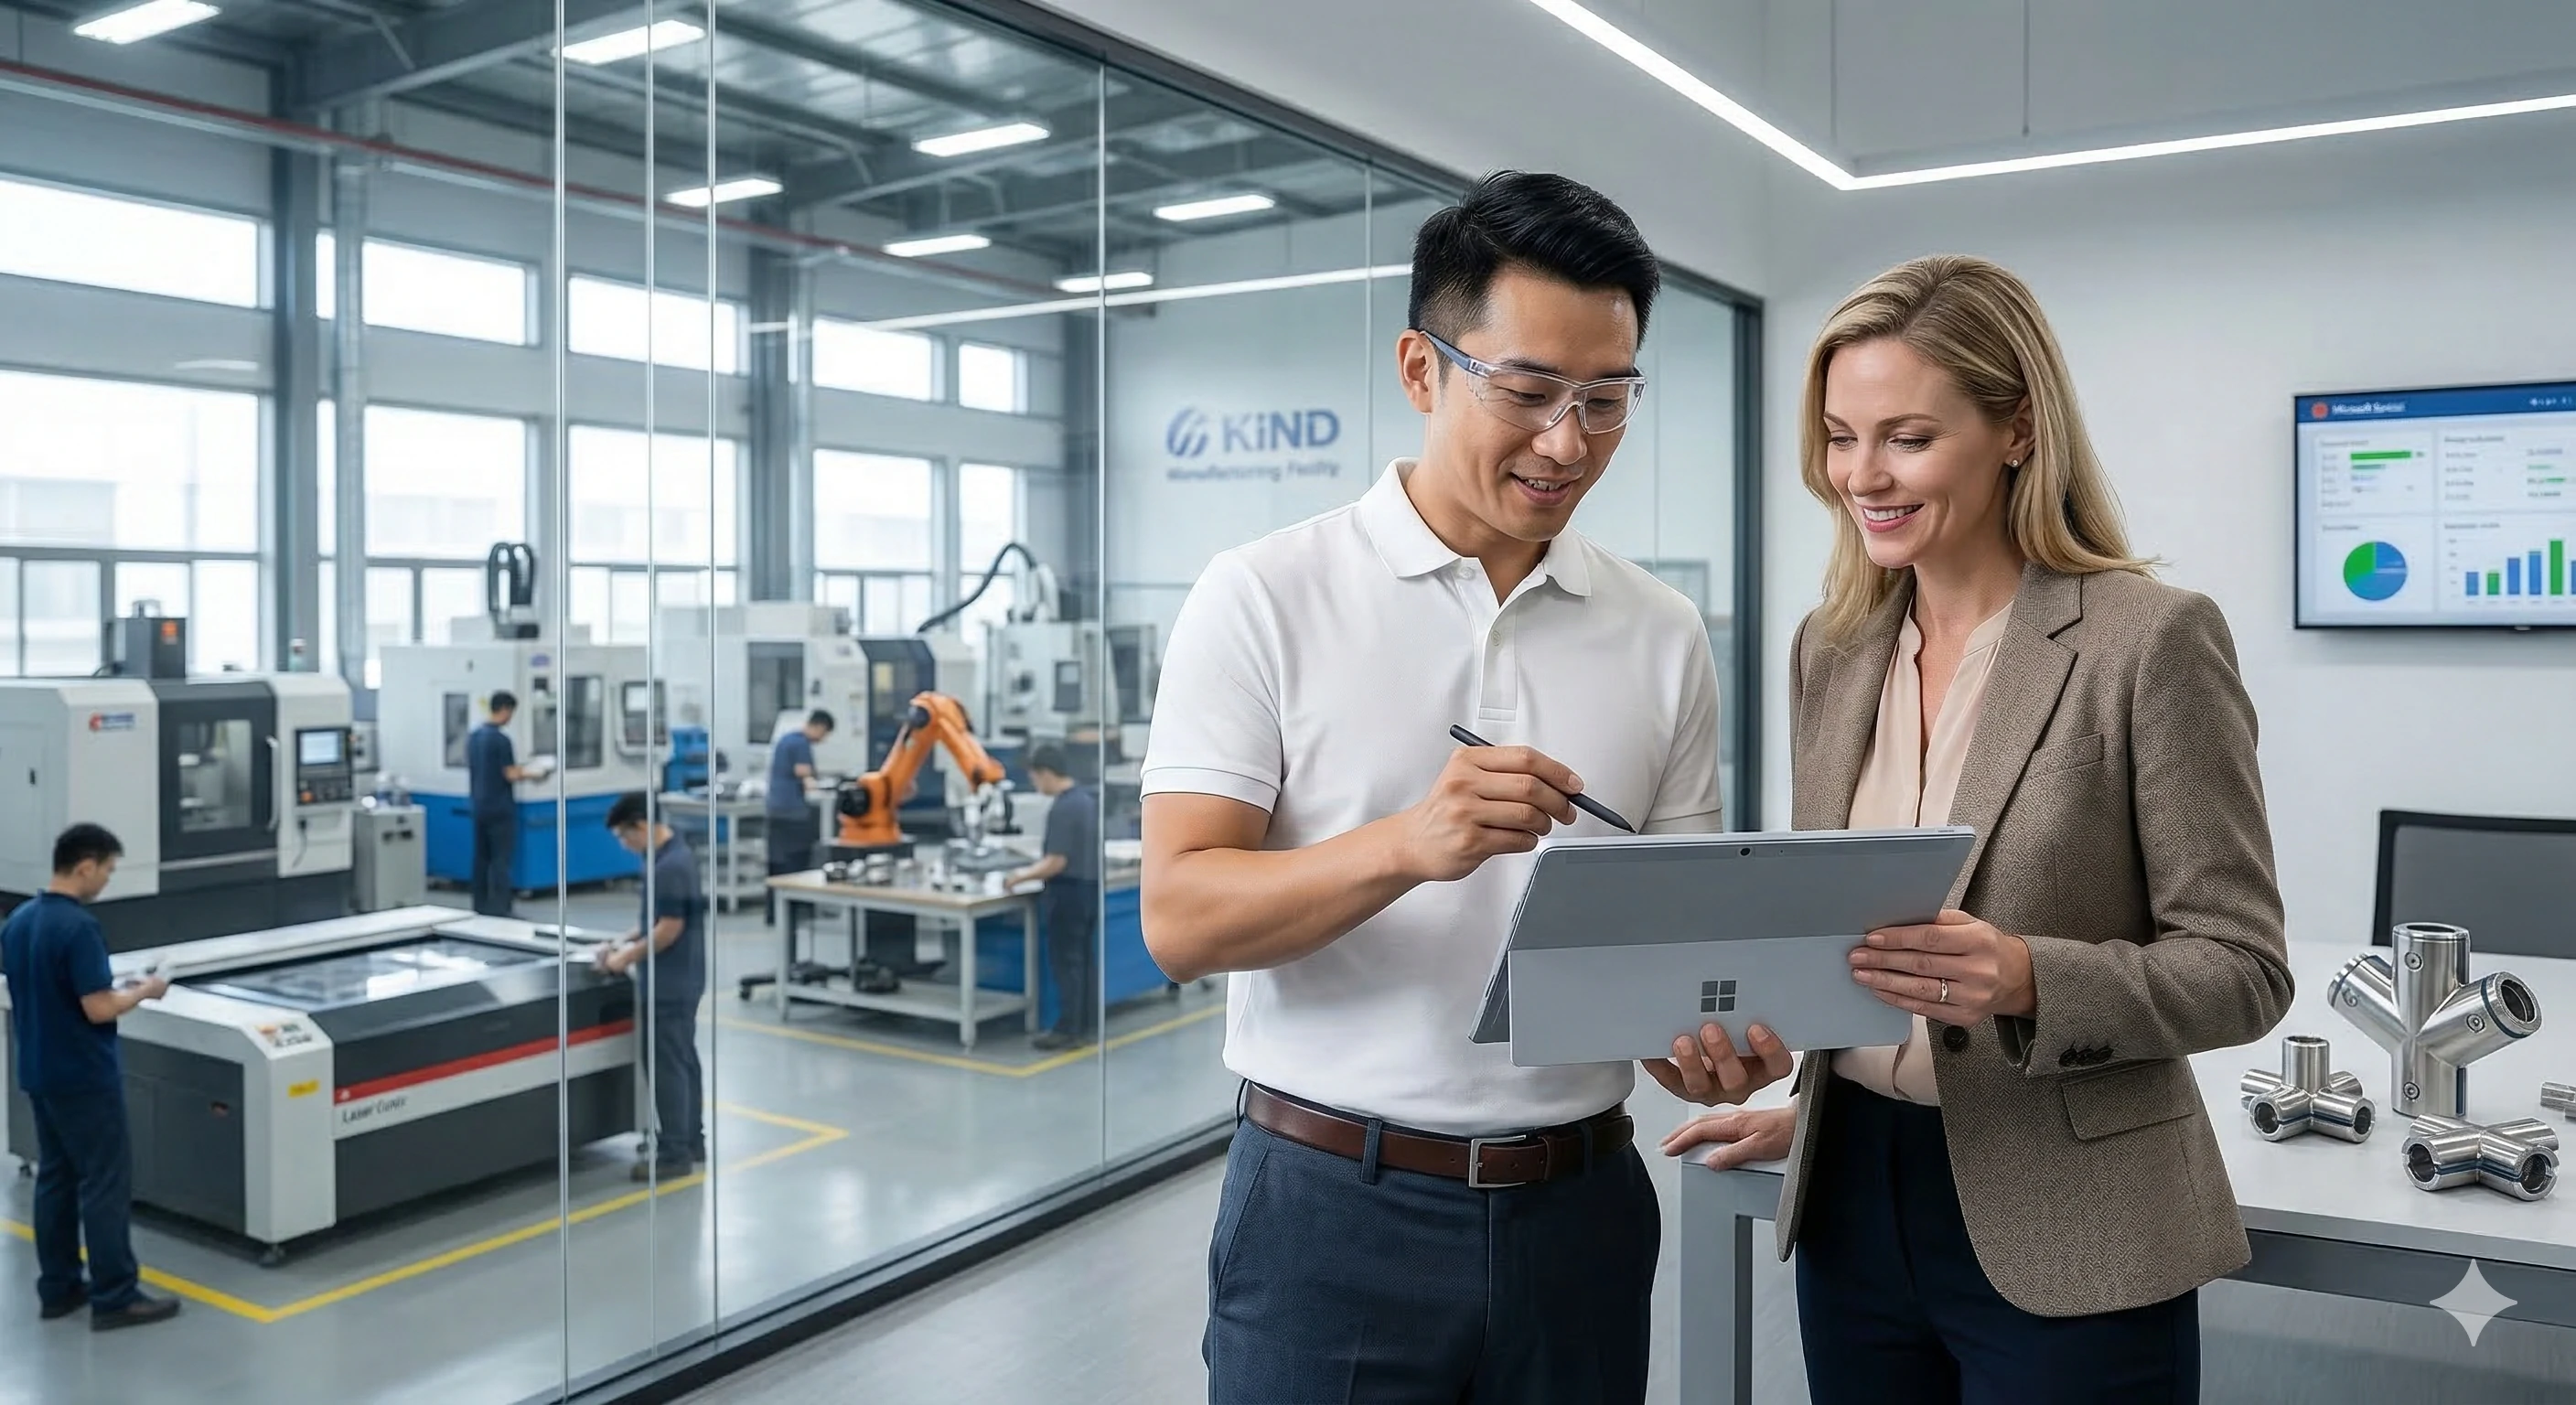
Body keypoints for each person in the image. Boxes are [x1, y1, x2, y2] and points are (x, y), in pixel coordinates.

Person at [1142, 170, 1770, 1405]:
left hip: (1582, 1212)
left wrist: (1699, 1046)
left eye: (1608, 399)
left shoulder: (1661, 630)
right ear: (1422, 371)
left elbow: (1671, 938)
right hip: (1332, 1211)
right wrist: (1408, 845)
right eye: (1529, 391)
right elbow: (1180, 917)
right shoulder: (1264, 594)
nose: (1566, 441)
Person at [1663, 255, 2292, 1404]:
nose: (1862, 475)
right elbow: (1847, 935)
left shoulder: (2146, 642)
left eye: (1905, 436)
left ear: (2014, 430)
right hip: (1853, 1193)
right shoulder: (1830, 648)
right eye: (1838, 437)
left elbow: (2242, 970)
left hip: (2070, 1219)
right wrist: (1808, 1102)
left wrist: (2023, 978)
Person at [1, 824, 181, 1331]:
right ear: (85, 866)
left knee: (55, 1178)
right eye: (106, 869)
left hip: (38, 1069)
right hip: (84, 1075)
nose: (106, 879)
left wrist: (108, 986)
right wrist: (144, 992)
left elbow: (49, 989)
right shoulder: (79, 928)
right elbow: (98, 1009)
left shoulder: (19, 921)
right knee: (104, 1182)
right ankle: (115, 1295)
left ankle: (58, 1288)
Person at [595, 792, 707, 1183]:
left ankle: (675, 1154)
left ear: (641, 827)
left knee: (667, 1066)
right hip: (681, 977)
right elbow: (653, 921)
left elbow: (668, 930)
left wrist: (625, 959)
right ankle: (691, 1140)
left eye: (625, 839)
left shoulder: (671, 866)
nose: (626, 848)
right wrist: (621, 941)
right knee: (683, 1059)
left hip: (670, 983)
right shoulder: (666, 855)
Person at [1007, 743, 1098, 1053]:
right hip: (1088, 889)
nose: (1035, 785)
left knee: (1066, 962)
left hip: (1067, 893)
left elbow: (1056, 861)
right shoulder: (1085, 801)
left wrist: (1018, 877)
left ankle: (1067, 1029)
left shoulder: (1063, 807)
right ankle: (1085, 1025)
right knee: (1083, 961)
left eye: (1034, 778)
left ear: (1045, 774)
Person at [763, 709, 836, 924]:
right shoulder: (801, 744)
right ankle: (797, 911)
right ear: (819, 727)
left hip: (776, 810)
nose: (823, 740)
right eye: (825, 734)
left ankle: (774, 913)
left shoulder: (786, 740)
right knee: (796, 861)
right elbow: (806, 778)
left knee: (776, 862)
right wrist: (825, 788)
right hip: (793, 813)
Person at [467, 691, 531, 917]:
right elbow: (510, 774)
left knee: (481, 859)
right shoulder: (501, 740)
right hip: (500, 808)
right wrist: (534, 773)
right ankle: (502, 909)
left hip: (479, 806)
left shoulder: (474, 736)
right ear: (505, 709)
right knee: (501, 860)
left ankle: (480, 906)